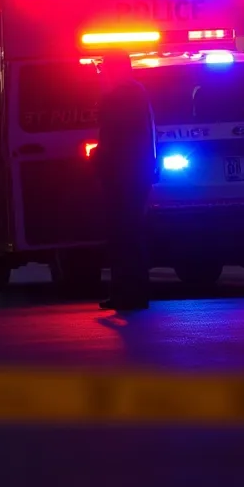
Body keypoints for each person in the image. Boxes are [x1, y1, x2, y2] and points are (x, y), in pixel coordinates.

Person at [92, 51, 159, 312]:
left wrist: (98, 163)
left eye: (105, 68)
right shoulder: (139, 93)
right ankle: (136, 292)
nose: (103, 73)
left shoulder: (116, 98)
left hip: (120, 176)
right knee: (133, 234)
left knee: (122, 236)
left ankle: (124, 294)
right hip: (138, 173)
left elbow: (110, 139)